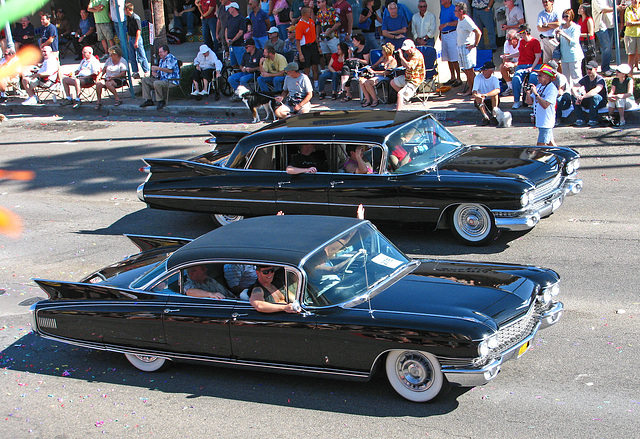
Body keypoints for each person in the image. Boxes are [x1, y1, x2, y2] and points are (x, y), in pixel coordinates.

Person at [139, 44, 181, 110]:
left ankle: (161, 101)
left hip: (171, 81)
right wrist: (154, 73)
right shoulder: (161, 60)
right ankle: (148, 100)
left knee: (157, 83)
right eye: (159, 52)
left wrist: (158, 68)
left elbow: (170, 70)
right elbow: (159, 73)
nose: (159, 54)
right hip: (162, 79)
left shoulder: (171, 58)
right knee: (145, 80)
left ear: (166, 52)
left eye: (161, 52)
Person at [527, 63, 558, 146]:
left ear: (548, 76)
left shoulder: (552, 89)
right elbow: (529, 102)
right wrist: (528, 92)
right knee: (551, 144)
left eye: (540, 75)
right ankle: (560, 157)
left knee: (540, 146)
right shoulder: (539, 86)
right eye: (538, 75)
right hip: (540, 121)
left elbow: (545, 105)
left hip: (546, 122)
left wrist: (536, 94)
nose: (538, 77)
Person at [511, 23, 542, 109]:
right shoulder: (521, 42)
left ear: (526, 32)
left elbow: (538, 56)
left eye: (521, 33)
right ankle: (516, 101)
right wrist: (509, 56)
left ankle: (532, 100)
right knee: (516, 79)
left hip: (535, 65)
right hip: (522, 64)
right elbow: (520, 53)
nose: (520, 35)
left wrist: (531, 68)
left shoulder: (535, 42)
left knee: (533, 77)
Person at [455, 2, 482, 97]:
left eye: (456, 11)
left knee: (469, 70)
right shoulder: (460, 20)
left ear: (461, 11)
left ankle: (474, 90)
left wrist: (475, 44)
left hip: (466, 48)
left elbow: (478, 32)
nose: (454, 12)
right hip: (460, 47)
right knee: (466, 70)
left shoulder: (467, 20)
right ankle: (472, 88)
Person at [359, 42, 397, 107]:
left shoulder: (393, 61)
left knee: (368, 82)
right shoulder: (382, 58)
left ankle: (375, 100)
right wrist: (369, 68)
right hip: (376, 75)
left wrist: (374, 72)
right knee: (361, 80)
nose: (382, 52)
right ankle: (368, 100)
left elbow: (387, 72)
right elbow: (375, 65)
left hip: (385, 76)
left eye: (383, 51)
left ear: (387, 52)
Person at [571, 60, 608, 126]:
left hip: (600, 102)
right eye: (587, 69)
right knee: (573, 96)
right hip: (588, 99)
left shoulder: (600, 79)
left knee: (595, 96)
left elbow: (595, 91)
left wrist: (583, 97)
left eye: (590, 69)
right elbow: (574, 88)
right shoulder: (586, 78)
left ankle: (593, 119)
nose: (588, 71)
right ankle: (580, 119)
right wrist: (577, 96)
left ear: (596, 69)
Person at [391, 39, 425, 111]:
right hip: (407, 77)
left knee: (400, 94)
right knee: (393, 82)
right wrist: (401, 58)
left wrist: (401, 57)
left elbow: (409, 66)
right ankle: (405, 98)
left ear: (412, 47)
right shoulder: (410, 54)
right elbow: (404, 65)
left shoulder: (416, 56)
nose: (406, 51)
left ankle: (398, 112)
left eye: (407, 50)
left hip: (415, 80)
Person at [555, 9, 583, 89]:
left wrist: (564, 34)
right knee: (565, 78)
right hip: (564, 56)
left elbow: (574, 41)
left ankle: (579, 95)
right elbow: (559, 40)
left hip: (574, 56)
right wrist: (557, 35)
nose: (565, 18)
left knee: (576, 77)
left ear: (571, 16)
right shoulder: (561, 26)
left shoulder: (575, 27)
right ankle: (568, 95)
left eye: (567, 16)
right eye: (563, 16)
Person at [339, 34, 370, 102]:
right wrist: (350, 53)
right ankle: (345, 90)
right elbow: (351, 60)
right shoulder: (356, 50)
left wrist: (357, 59)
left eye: (354, 40)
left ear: (359, 41)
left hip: (362, 68)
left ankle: (344, 90)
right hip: (354, 68)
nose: (353, 42)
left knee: (345, 70)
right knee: (345, 69)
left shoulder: (365, 49)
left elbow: (366, 61)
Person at [295, 6, 320, 86]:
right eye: (309, 12)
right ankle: (307, 86)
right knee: (307, 68)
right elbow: (298, 41)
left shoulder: (311, 21)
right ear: (305, 13)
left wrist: (318, 46)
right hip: (305, 47)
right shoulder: (300, 25)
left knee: (315, 66)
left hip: (313, 46)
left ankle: (316, 85)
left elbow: (315, 35)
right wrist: (300, 54)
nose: (311, 13)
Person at [124, 3, 150, 80]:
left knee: (141, 56)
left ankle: (146, 71)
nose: (124, 11)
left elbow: (138, 30)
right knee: (132, 56)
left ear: (128, 9)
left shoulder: (136, 18)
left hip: (136, 38)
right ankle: (135, 71)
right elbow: (129, 28)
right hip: (131, 37)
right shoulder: (128, 18)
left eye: (125, 10)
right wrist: (129, 37)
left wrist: (136, 41)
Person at [439, 0, 462, 87]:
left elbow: (457, 22)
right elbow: (441, 22)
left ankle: (459, 78)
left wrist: (447, 24)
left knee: (454, 57)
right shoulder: (442, 9)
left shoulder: (453, 9)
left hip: (452, 33)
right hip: (444, 34)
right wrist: (440, 34)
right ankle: (452, 77)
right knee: (448, 57)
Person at [472, 60, 500, 125]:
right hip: (481, 101)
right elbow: (474, 92)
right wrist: (478, 96)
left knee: (495, 95)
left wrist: (486, 95)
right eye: (483, 70)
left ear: (491, 71)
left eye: (485, 70)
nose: (482, 71)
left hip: (491, 100)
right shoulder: (478, 77)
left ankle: (494, 116)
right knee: (478, 97)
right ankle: (485, 117)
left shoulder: (494, 78)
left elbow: (498, 90)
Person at [592, 0, 615, 76]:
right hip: (601, 26)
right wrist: (617, 7)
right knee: (606, 47)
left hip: (610, 25)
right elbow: (603, 10)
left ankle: (607, 66)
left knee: (609, 48)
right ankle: (605, 69)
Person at [315, 0, 341, 65]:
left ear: (324, 2)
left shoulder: (332, 11)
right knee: (327, 55)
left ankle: (337, 68)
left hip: (333, 37)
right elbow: (318, 25)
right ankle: (330, 68)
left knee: (336, 54)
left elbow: (338, 23)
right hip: (323, 38)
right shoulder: (318, 13)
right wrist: (317, 36)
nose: (317, 4)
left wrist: (329, 31)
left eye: (319, 2)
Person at [226, 2, 247, 69]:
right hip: (231, 45)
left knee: (241, 63)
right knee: (233, 63)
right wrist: (227, 39)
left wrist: (233, 40)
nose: (228, 10)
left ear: (233, 8)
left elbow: (241, 32)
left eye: (229, 8)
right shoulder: (230, 18)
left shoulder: (241, 19)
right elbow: (226, 29)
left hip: (238, 45)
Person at [577, 3, 596, 73]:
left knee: (589, 60)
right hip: (581, 42)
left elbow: (591, 33)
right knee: (582, 61)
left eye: (580, 8)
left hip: (588, 42)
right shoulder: (580, 19)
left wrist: (579, 34)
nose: (578, 10)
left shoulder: (589, 20)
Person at [499, 29, 519, 94]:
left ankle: (519, 88)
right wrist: (506, 64)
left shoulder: (521, 43)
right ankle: (510, 87)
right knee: (502, 67)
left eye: (510, 39)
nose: (508, 40)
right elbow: (505, 57)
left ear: (516, 39)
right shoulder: (507, 43)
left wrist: (514, 65)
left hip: (522, 63)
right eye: (507, 38)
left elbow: (525, 59)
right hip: (514, 62)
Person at [624, 0, 640, 73]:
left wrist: (632, 22)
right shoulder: (628, 9)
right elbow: (627, 23)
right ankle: (630, 76)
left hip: (639, 34)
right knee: (631, 55)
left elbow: (630, 22)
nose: (634, 1)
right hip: (630, 35)